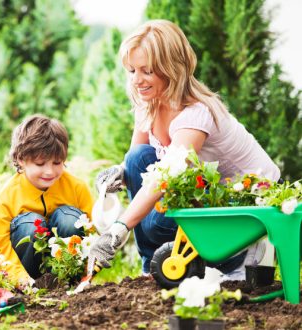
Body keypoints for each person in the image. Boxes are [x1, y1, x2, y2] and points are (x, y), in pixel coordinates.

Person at [89, 20, 280, 277]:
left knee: (156, 221)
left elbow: (164, 177)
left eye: (147, 71)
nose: (137, 80)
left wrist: (118, 229)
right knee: (136, 160)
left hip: (242, 208)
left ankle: (230, 259)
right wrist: (118, 173)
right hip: (201, 191)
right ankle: (152, 269)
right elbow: (138, 159)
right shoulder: (150, 102)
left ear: (171, 68)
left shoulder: (195, 114)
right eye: (132, 70)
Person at [0, 114, 94, 287]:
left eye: (57, 162)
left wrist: (86, 275)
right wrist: (20, 280)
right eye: (40, 164)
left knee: (70, 220)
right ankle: (35, 284)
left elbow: (93, 233)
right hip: (28, 273)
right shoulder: (8, 196)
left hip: (67, 266)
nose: (49, 172)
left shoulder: (76, 188)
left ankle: (68, 281)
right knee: (31, 224)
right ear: (21, 160)